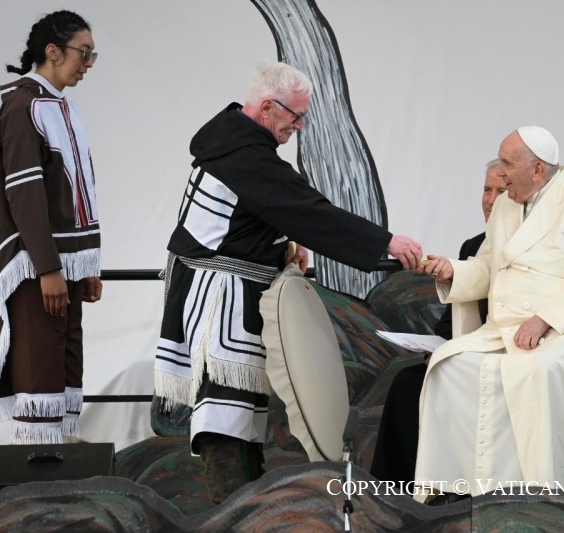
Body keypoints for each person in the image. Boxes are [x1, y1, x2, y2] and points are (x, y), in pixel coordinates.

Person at [153, 61, 423, 503]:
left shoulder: (235, 142)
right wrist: (386, 241)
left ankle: (245, 501)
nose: (299, 126)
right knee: (224, 409)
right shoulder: (246, 156)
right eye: (295, 116)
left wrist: (284, 241)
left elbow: (253, 212)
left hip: (225, 285)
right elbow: (307, 210)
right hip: (220, 295)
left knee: (241, 409)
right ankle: (233, 509)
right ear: (266, 108)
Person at [414, 126, 564, 501]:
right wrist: (453, 271)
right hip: (504, 329)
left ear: (538, 170)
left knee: (540, 370)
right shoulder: (505, 206)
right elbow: (487, 268)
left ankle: (539, 494)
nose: (501, 173)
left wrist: (545, 319)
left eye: (508, 164)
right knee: (448, 367)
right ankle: (455, 489)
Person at [0, 10, 102, 445]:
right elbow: (24, 195)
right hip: (36, 266)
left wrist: (86, 267)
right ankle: (38, 469)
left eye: (92, 55)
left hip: (66, 266)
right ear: (53, 51)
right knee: (39, 365)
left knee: (64, 363)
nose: (88, 63)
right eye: (84, 52)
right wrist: (47, 268)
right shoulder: (22, 106)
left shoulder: (64, 107)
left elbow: (81, 191)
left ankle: (62, 461)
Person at [369, 159, 504, 484]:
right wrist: (441, 349)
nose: (490, 200)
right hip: (466, 353)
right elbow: (450, 322)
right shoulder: (473, 246)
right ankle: (391, 494)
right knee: (406, 383)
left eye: (500, 191)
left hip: (504, 357)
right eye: (486, 189)